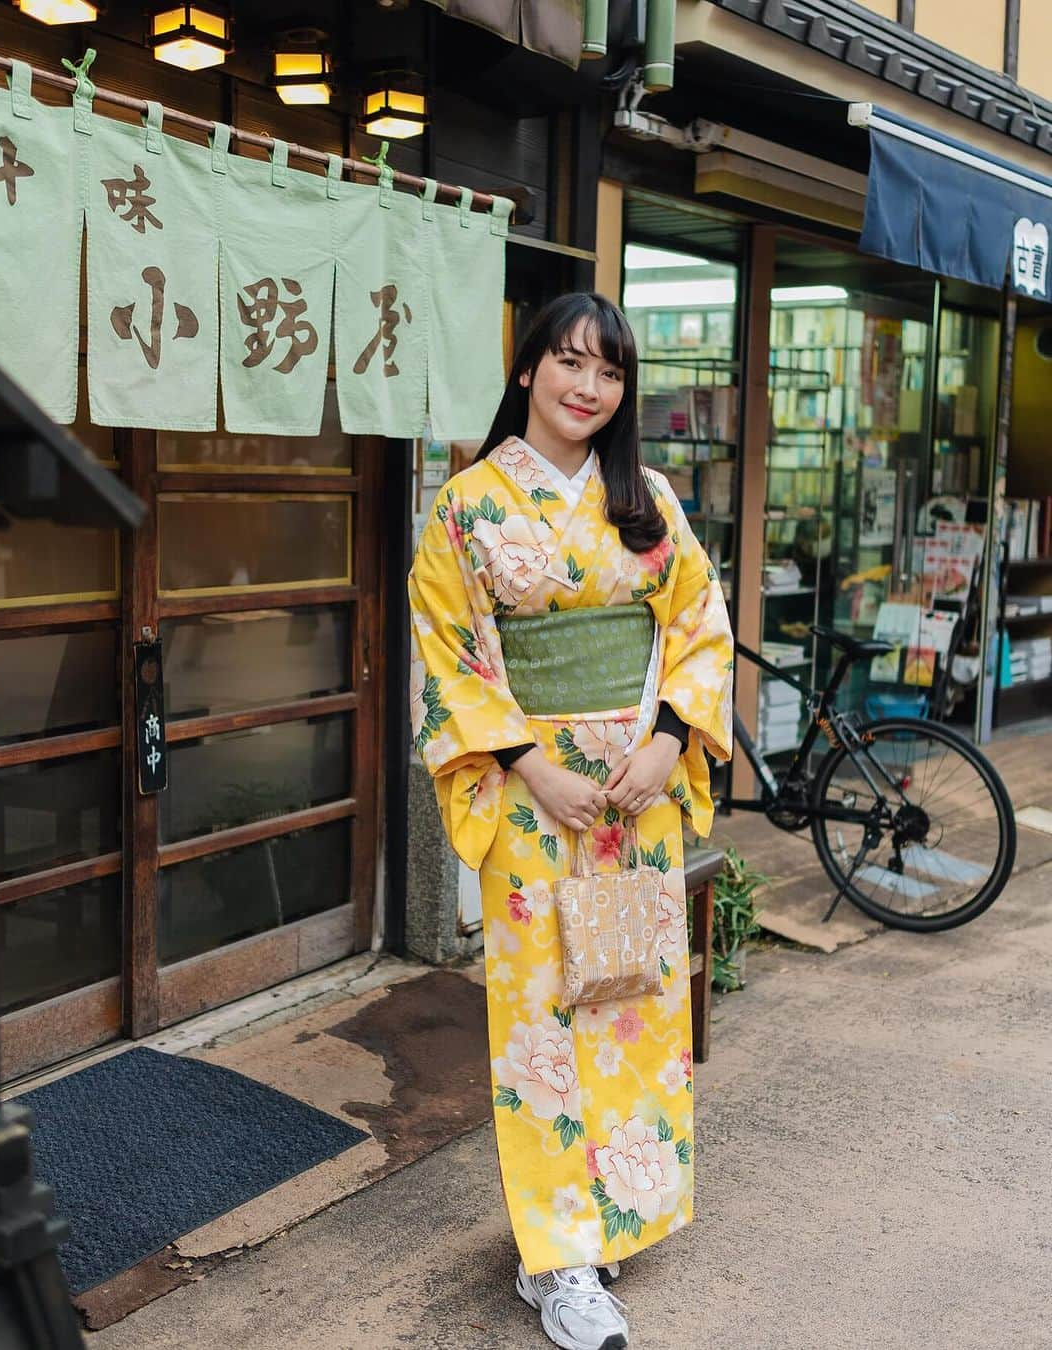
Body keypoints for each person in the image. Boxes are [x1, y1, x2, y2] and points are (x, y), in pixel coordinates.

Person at [408, 292, 733, 1350]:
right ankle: (558, 1261)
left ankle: (617, 1212)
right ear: (529, 370)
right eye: (569, 363)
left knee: (633, 1003)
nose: (588, 388)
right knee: (543, 1027)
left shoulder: (648, 501)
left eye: (609, 372)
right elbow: (449, 654)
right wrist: (530, 765)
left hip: (635, 801)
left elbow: (699, 627)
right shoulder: (467, 506)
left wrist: (669, 746)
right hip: (536, 800)